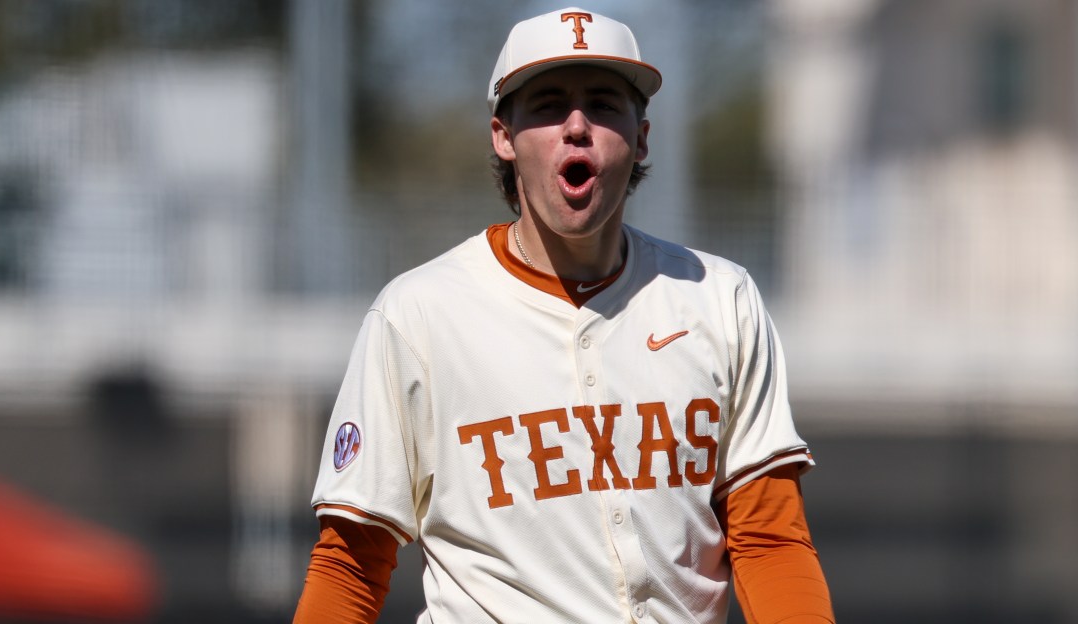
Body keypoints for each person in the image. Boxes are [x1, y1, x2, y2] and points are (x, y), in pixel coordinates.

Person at [294, 7, 834, 623]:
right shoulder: (417, 315)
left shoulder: (718, 297)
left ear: (641, 137)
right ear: (503, 136)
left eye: (604, 105)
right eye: (549, 105)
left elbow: (769, 539)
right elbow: (351, 565)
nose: (577, 127)